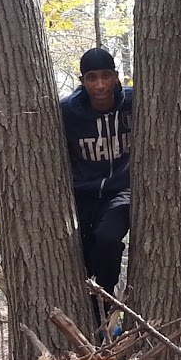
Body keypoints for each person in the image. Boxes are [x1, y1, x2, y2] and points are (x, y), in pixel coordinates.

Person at [59, 47, 133, 313]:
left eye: (106, 76)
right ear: (83, 81)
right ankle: (93, 316)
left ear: (115, 77)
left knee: (107, 238)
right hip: (83, 193)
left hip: (121, 191)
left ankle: (107, 301)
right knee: (80, 251)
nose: (100, 85)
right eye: (92, 77)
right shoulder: (68, 112)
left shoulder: (134, 103)